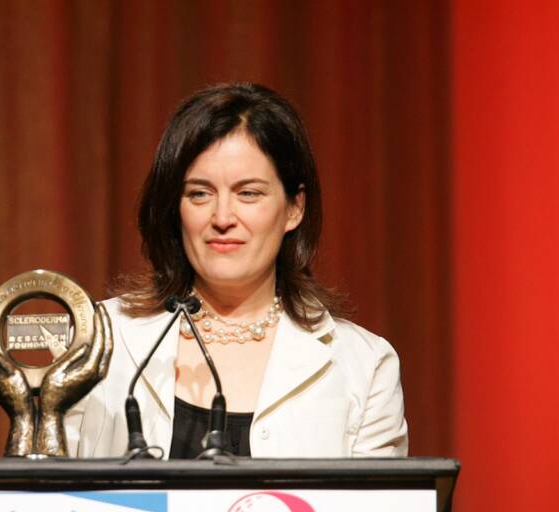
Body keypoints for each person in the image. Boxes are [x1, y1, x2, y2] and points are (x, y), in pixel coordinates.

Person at [63, 82, 408, 459]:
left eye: (248, 193)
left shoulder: (364, 366)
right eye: (199, 193)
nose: (222, 217)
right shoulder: (99, 337)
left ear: (294, 208)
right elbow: (43, 502)